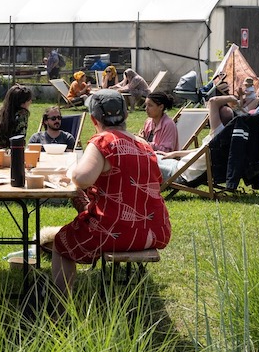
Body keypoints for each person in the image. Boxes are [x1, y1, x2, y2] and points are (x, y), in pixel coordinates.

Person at [48, 90, 171, 295]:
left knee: (61, 243)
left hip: (116, 231)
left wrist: (71, 172)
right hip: (155, 230)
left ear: (94, 119)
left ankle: (60, 308)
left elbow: (82, 178)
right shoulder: (144, 145)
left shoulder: (103, 141)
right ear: (126, 116)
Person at [0, 84, 33, 149]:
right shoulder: (22, 115)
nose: (31, 102)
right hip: (7, 153)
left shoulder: (1, 113)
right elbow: (19, 139)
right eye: (29, 100)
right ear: (22, 102)